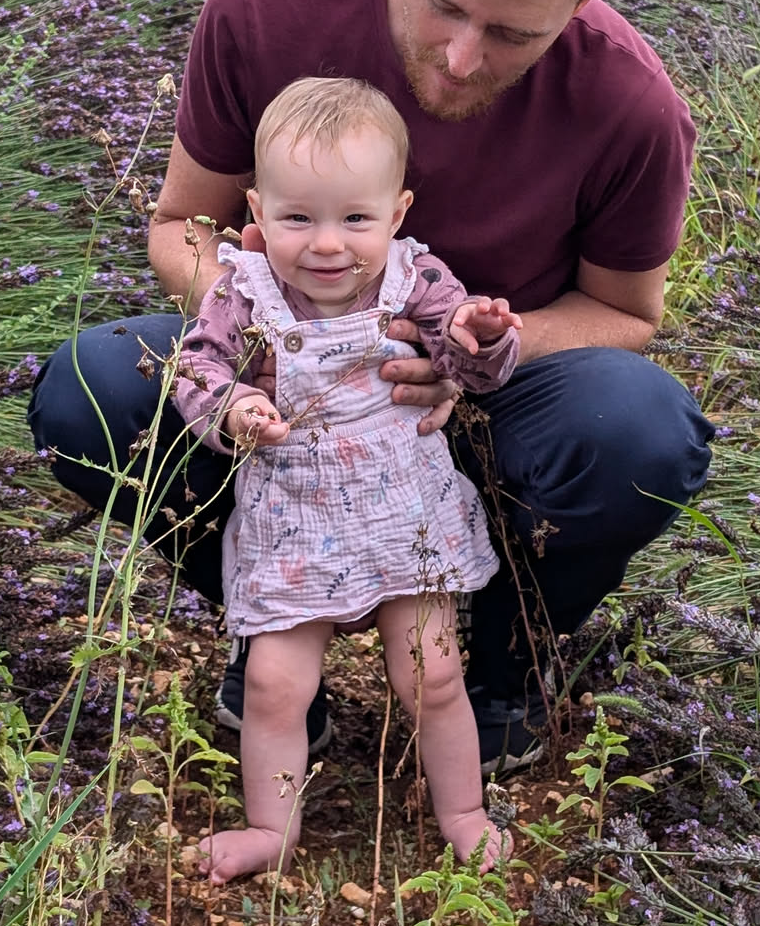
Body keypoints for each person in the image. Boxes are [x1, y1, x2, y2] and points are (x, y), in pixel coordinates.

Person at [29, 0, 713, 773]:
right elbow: (184, 225)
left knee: (642, 431)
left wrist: (474, 348)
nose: (462, 57)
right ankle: (277, 618)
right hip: (284, 390)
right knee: (90, 389)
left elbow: (624, 312)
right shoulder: (264, 6)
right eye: (445, 3)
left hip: (491, 401)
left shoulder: (631, 102)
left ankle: (504, 656)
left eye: (513, 34)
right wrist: (260, 330)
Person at [173, 77, 518, 881]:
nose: (327, 244)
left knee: (432, 673)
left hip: (402, 510)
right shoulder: (244, 289)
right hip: (295, 516)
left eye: (355, 219)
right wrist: (235, 406)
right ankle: (271, 826)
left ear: (396, 213)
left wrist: (482, 339)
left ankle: (463, 810)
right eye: (298, 218)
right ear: (257, 211)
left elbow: (473, 368)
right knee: (273, 684)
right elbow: (195, 366)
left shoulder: (417, 279)